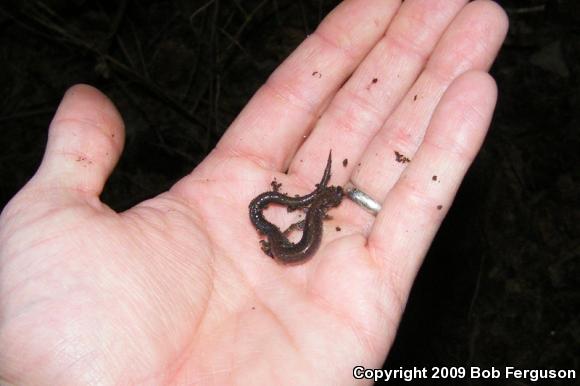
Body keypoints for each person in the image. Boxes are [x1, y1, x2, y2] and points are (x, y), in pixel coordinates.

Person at [0, 0, 508, 384]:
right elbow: (294, 224)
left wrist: (293, 214)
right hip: (287, 226)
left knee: (301, 208)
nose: (320, 201)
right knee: (299, 209)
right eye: (322, 200)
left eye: (322, 201)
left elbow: (298, 222)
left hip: (288, 225)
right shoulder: (293, 229)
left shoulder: (296, 227)